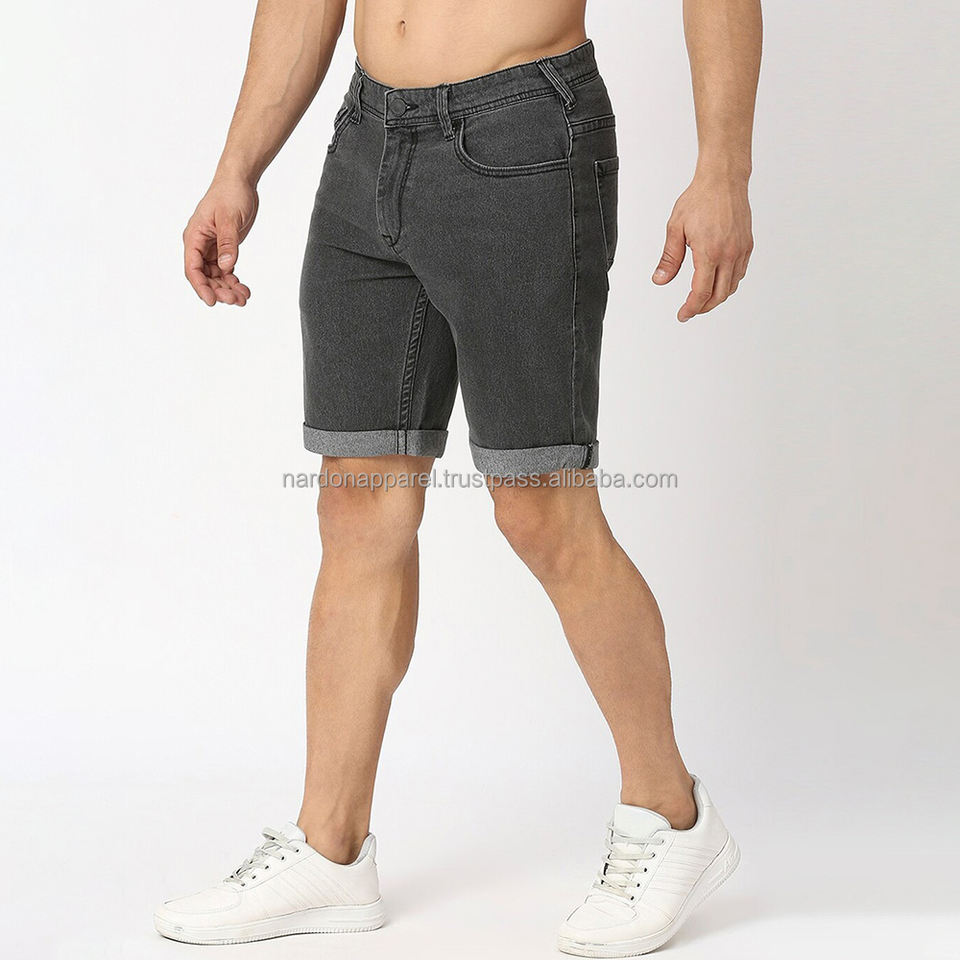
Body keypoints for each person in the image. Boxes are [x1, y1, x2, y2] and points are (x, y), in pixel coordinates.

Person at [157, 0, 761, 955]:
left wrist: (723, 167)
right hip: (367, 139)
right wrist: (238, 165)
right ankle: (330, 848)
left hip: (525, 139)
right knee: (357, 507)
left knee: (542, 508)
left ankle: (671, 816)